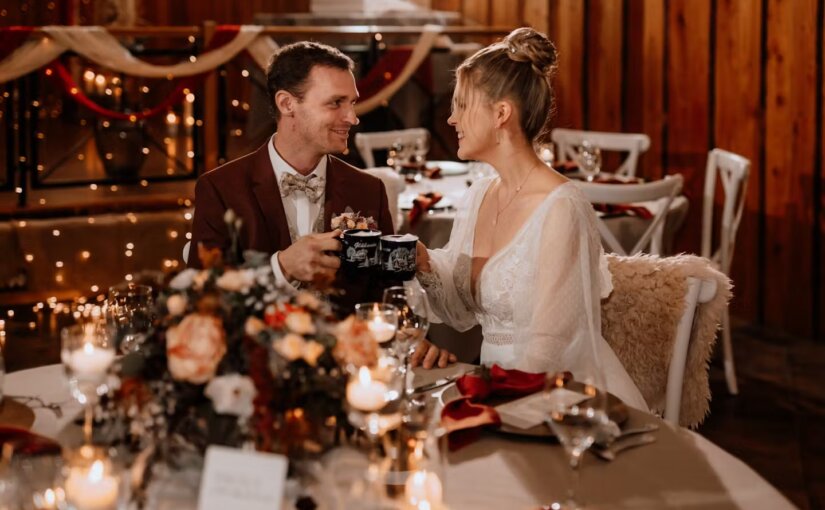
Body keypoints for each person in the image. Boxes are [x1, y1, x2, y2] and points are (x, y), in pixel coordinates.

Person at [411, 28, 647, 410]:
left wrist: (494, 405)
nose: (452, 119)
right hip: (494, 387)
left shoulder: (561, 207)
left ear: (501, 113)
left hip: (557, 397)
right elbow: (460, 308)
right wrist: (423, 261)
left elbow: (553, 345)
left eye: (462, 105)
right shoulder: (478, 195)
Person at [188, 41, 394, 300]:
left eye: (351, 102)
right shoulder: (221, 189)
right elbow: (200, 294)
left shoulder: (368, 189)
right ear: (287, 104)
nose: (352, 117)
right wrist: (282, 268)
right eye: (336, 103)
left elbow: (387, 294)